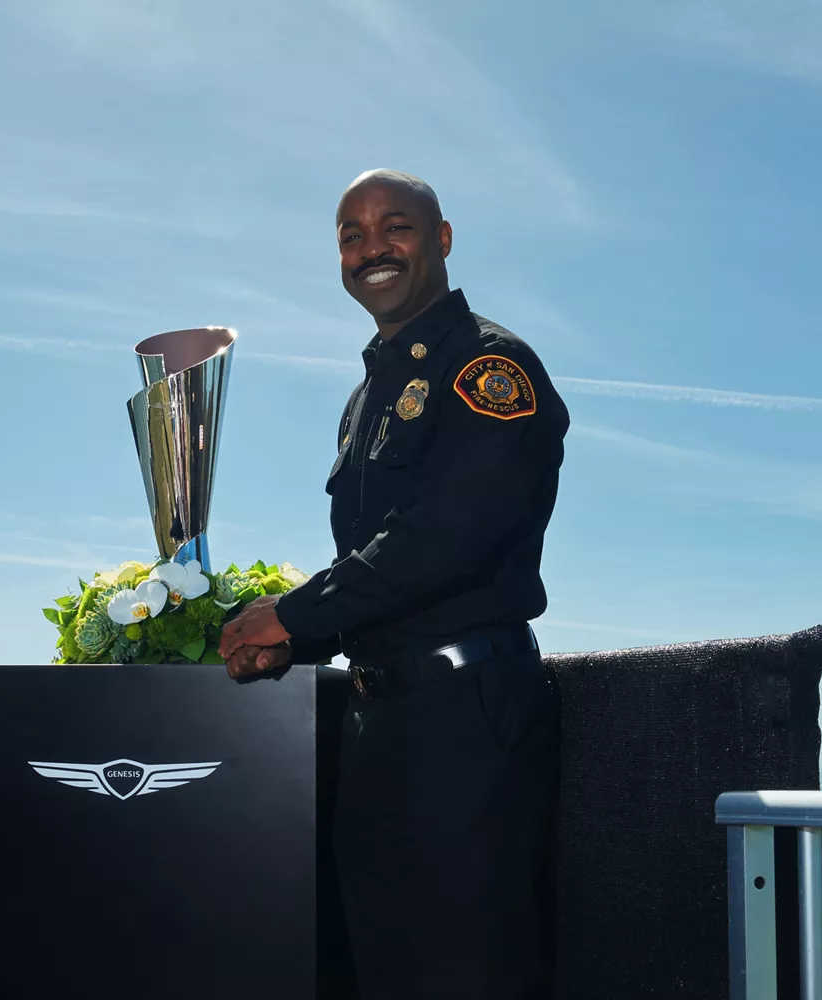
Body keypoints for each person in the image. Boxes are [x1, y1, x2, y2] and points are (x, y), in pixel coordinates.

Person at [220, 169, 570, 1000]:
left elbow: (447, 539)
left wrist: (293, 615)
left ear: (441, 239)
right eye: (352, 235)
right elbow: (377, 562)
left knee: (467, 971)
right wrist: (298, 642)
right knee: (382, 970)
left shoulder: (490, 366)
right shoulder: (367, 396)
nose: (372, 247)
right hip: (379, 723)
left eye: (395, 226)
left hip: (466, 720)